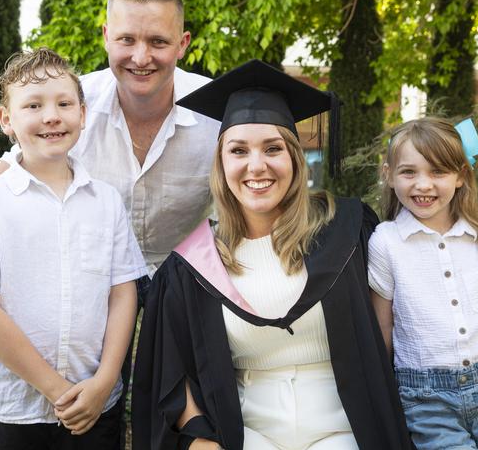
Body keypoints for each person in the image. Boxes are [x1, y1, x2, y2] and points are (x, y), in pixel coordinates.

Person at [131, 59, 416, 450]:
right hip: (248, 433)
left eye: (272, 149)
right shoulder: (193, 265)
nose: (256, 165)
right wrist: (198, 438)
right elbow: (171, 369)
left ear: (295, 158)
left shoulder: (348, 231)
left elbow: (410, 305)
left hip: (349, 427)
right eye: (238, 150)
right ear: (221, 163)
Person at [0, 0, 220, 446]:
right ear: (105, 37)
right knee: (96, 402)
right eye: (127, 39)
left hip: (185, 273)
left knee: (197, 403)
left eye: (158, 41)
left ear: (183, 44)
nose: (141, 56)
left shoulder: (215, 112)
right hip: (93, 277)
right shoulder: (71, 106)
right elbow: (3, 175)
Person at [0, 48, 147, 449]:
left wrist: (104, 382)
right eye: (33, 105)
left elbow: (123, 293)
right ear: (7, 120)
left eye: (64, 103)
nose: (51, 115)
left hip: (96, 405)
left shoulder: (105, 201)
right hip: (15, 411)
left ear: (83, 115)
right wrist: (57, 390)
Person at [368, 117, 478, 449]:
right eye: (409, 172)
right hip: (425, 401)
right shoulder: (386, 242)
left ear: (461, 175)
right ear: (388, 175)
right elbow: (383, 333)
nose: (423, 185)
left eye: (438, 172)